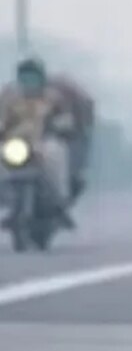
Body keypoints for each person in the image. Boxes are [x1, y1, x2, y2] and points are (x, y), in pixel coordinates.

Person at [0, 57, 75, 225]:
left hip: (43, 142)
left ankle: (59, 199)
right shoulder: (9, 97)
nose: (29, 82)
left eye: (33, 77)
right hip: (15, 143)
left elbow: (65, 118)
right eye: (25, 77)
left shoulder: (53, 98)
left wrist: (62, 126)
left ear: (41, 78)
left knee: (56, 152)